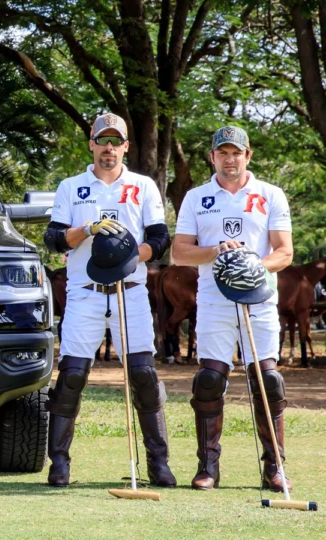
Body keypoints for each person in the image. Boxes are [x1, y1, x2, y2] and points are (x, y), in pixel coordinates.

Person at [42, 113, 174, 487]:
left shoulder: (143, 186)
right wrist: (87, 229)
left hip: (129, 292)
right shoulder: (71, 187)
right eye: (103, 140)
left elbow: (160, 239)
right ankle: (59, 463)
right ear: (92, 144)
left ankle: (159, 463)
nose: (109, 148)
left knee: (144, 375)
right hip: (84, 292)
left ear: (126, 147)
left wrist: (128, 256)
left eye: (116, 141)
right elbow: (53, 239)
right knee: (71, 376)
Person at [172, 126, 293, 491]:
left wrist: (253, 266)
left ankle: (275, 466)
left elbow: (284, 252)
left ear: (248, 156)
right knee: (209, 379)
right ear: (212, 157)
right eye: (222, 153)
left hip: (259, 299)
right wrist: (215, 251)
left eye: (236, 152)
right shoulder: (196, 197)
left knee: (267, 380)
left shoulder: (270, 195)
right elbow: (179, 253)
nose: (229, 159)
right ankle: (208, 466)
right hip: (214, 300)